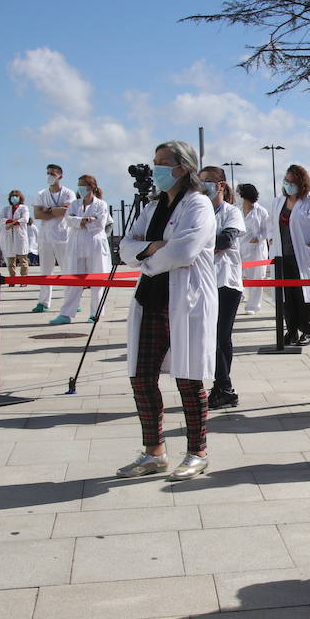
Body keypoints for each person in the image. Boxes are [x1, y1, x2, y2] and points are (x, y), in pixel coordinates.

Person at [116, 140, 217, 481]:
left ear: (182, 168)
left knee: (189, 379)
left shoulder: (198, 205)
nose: (156, 168)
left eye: (162, 163)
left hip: (185, 302)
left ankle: (196, 452)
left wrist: (146, 258)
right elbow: (124, 247)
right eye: (154, 161)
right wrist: (149, 248)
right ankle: (153, 452)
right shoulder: (153, 207)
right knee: (142, 378)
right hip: (151, 300)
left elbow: (184, 251)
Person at [198, 168, 246, 409]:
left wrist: (197, 245)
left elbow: (226, 240)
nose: (203, 186)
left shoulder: (231, 212)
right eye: (200, 182)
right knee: (217, 337)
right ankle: (222, 386)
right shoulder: (197, 211)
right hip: (203, 281)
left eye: (207, 182)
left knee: (220, 336)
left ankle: (225, 388)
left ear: (220, 185)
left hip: (226, 281)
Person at [271, 165, 310, 346]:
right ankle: (291, 331)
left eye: (293, 182)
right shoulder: (278, 201)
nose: (289, 185)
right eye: (287, 181)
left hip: (304, 256)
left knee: (304, 294)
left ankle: (307, 332)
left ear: (301, 183)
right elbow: (271, 225)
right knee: (286, 296)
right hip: (283, 256)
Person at [50, 175, 111, 325]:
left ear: (91, 187)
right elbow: (68, 220)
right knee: (74, 280)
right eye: (79, 185)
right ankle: (66, 313)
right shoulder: (74, 204)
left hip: (95, 244)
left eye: (83, 185)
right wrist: (83, 220)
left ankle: (95, 313)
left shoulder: (101, 204)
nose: (80, 188)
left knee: (97, 280)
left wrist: (81, 221)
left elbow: (100, 223)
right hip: (76, 245)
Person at [31, 164, 76, 313]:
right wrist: (55, 210)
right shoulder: (41, 194)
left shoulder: (68, 193)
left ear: (60, 176)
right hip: (45, 237)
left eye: (53, 173)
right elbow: (37, 214)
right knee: (45, 270)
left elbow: (66, 211)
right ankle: (43, 302)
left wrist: (48, 209)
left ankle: (72, 301)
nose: (50, 176)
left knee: (67, 270)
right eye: (48, 173)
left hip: (63, 236)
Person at [237, 183, 272, 314]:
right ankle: (240, 296)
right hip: (239, 247)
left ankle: (253, 305)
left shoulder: (261, 211)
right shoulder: (236, 209)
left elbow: (267, 230)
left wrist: (258, 238)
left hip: (255, 249)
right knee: (236, 275)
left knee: (256, 277)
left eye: (238, 193)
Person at [0, 189, 32, 282]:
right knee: (11, 260)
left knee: (23, 259)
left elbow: (24, 219)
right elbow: (1, 219)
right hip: (9, 236)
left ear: (20, 197)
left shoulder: (24, 208)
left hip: (20, 236)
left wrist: (11, 224)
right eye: (12, 196)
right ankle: (12, 279)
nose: (14, 198)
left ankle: (23, 279)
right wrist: (9, 222)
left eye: (16, 196)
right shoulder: (6, 208)